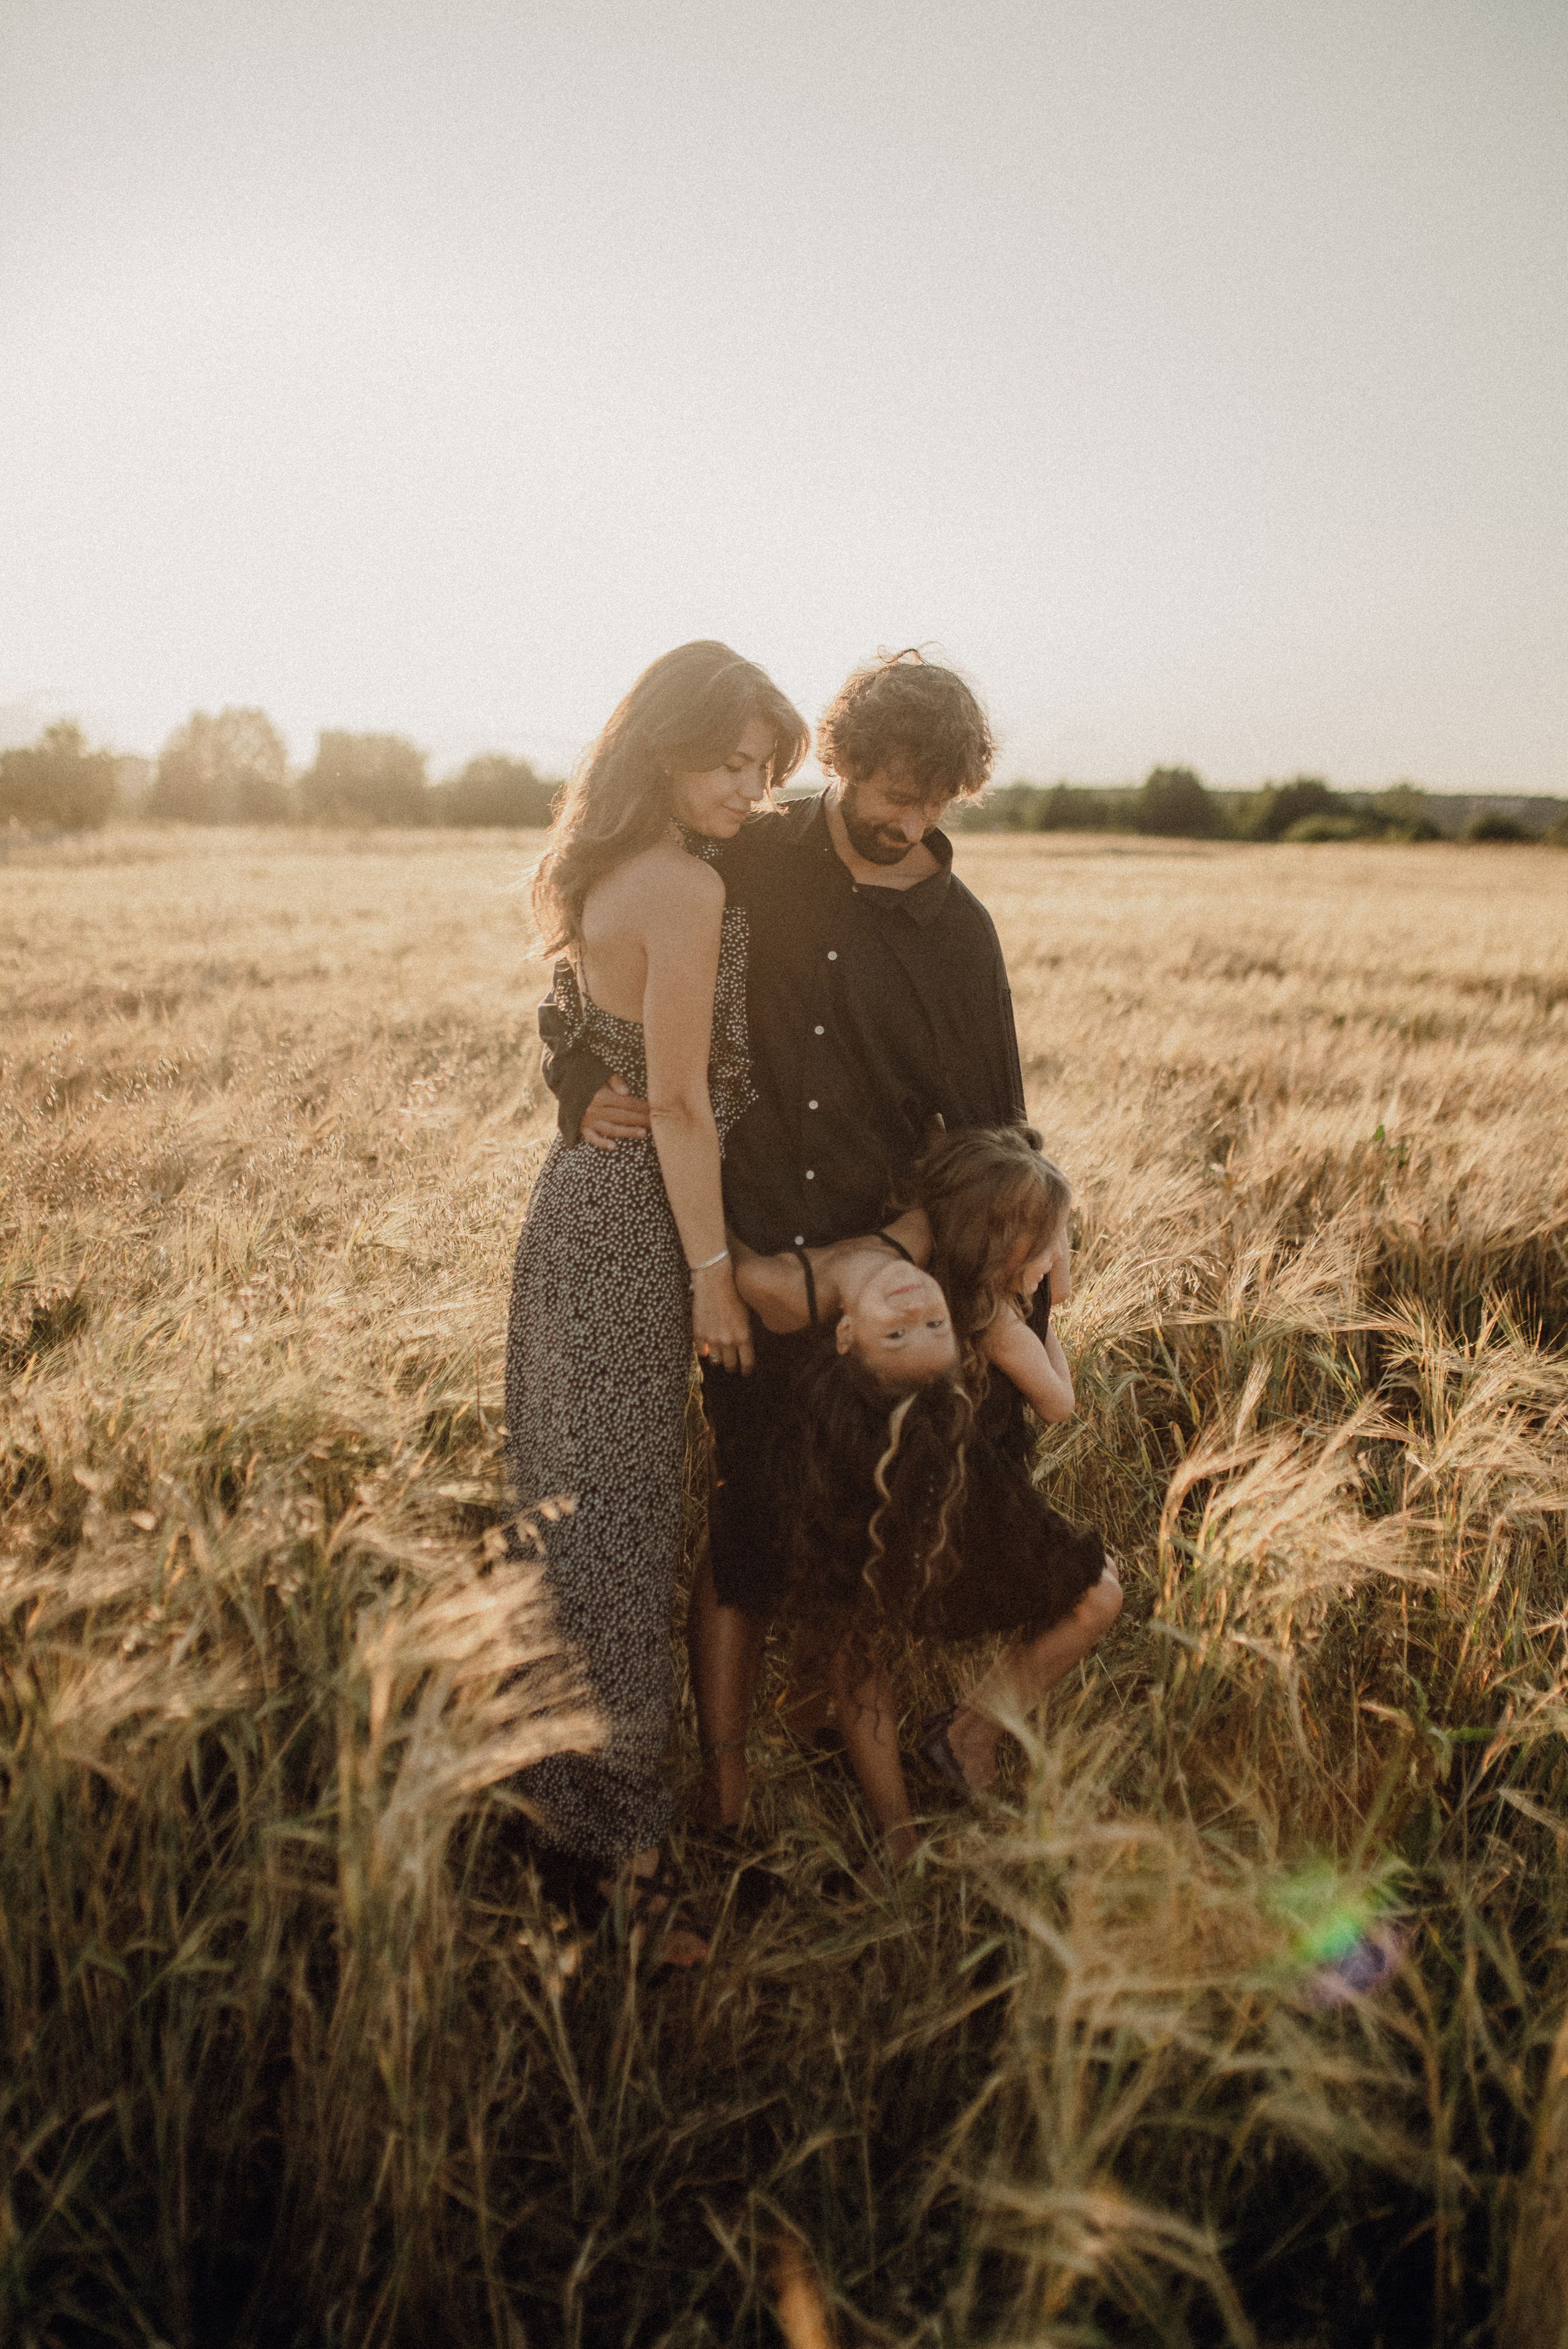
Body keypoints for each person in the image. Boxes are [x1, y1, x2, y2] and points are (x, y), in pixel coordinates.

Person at [540, 649, 1031, 1833]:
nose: (907, 822)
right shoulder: (740, 854)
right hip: (727, 1250)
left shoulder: (960, 936)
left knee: (848, 1523)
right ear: (845, 763)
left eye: (933, 803)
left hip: (863, 1284)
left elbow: (997, 1136)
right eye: (889, 791)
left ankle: (829, 1721)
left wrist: (916, 1253)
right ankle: (724, 1784)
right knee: (743, 1517)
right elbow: (594, 972)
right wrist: (573, 1082)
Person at [507, 640, 808, 1953]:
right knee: (620, 1537)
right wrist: (710, 1282)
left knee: (574, 1525)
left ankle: (562, 1826)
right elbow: (679, 1100)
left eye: (765, 767)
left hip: (574, 1207)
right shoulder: (680, 887)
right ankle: (623, 1872)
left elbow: (581, 1028)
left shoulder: (602, 866)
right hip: (637, 1229)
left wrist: (577, 1082)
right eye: (729, 762)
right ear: (664, 746)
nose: (750, 788)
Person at [734, 1125, 1122, 1866]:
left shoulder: (904, 1284)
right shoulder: (996, 1320)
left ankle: (897, 1834)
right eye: (1048, 1244)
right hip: (966, 1507)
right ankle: (966, 1735)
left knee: (853, 1637)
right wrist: (1050, 1324)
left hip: (870, 1480)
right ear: (1006, 1247)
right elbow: (1059, 1404)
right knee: (1098, 1596)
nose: (1056, 1261)